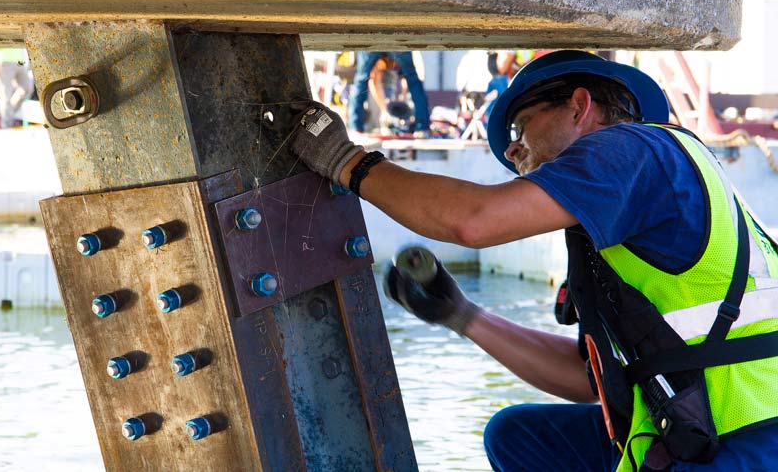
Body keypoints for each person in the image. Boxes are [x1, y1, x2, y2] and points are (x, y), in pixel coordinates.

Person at [288, 50, 778, 471]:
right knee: (518, 436)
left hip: (749, 439)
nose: (511, 147)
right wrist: (462, 316)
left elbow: (473, 221)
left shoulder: (631, 149)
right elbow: (590, 383)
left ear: (579, 106)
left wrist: (346, 162)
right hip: (699, 425)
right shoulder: (627, 211)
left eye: (522, 126)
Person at [348, 51, 430, 134]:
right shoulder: (384, 68)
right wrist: (384, 109)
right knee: (412, 78)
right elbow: (375, 82)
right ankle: (422, 128)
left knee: (361, 79)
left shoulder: (391, 67)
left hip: (373, 40)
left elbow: (403, 81)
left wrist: (403, 98)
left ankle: (355, 127)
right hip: (397, 41)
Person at [0, 48, 34, 129]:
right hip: (3, 62)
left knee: (27, 88)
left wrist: (24, 62)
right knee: (5, 94)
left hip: (19, 62)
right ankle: (6, 125)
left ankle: (4, 114)